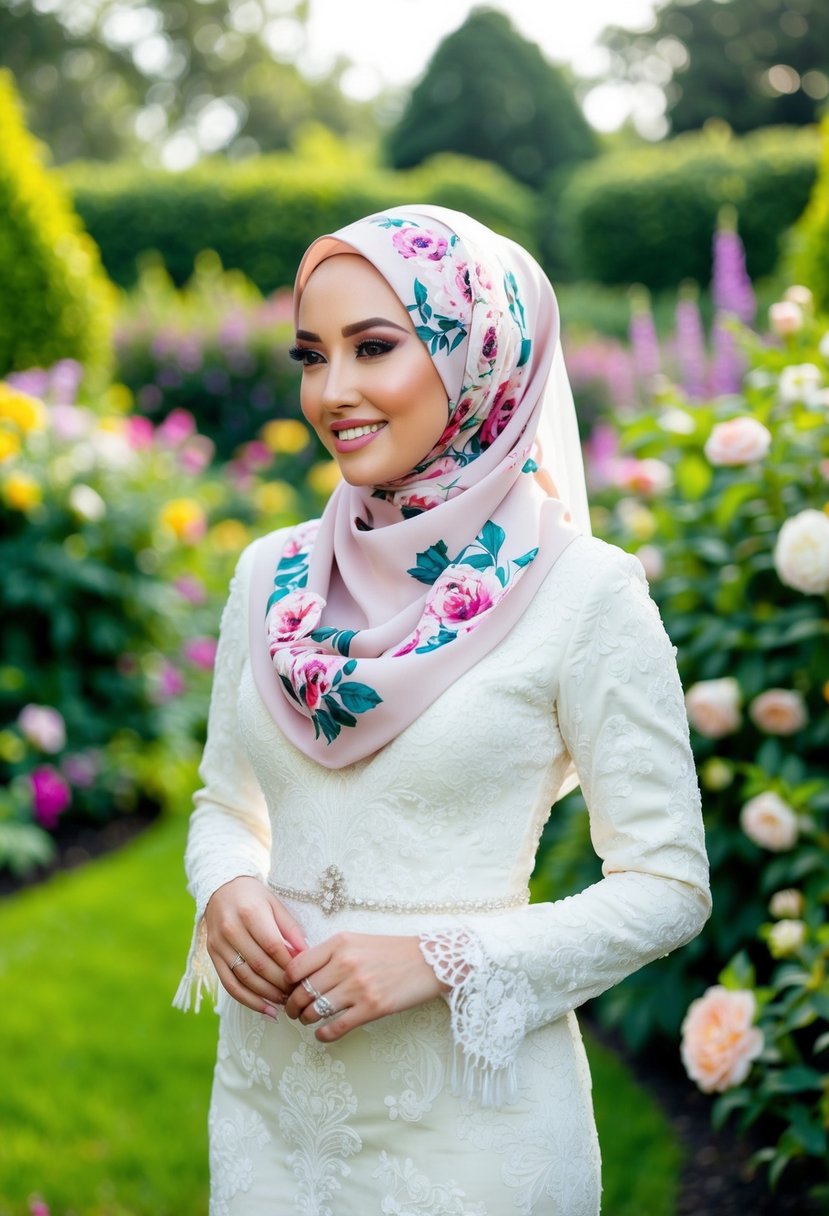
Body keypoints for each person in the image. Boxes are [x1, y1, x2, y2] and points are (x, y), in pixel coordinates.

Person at [174, 204, 711, 1215]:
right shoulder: (268, 573)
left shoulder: (582, 592)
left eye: (374, 346)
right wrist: (225, 887)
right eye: (311, 354)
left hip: (469, 1131)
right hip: (268, 1108)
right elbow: (220, 803)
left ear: (479, 354)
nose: (332, 392)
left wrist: (436, 959)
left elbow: (666, 884)